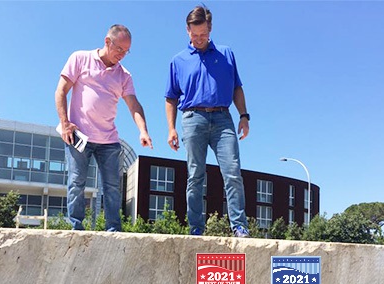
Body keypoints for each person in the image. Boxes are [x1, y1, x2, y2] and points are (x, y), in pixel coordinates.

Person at [55, 24, 153, 232]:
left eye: (126, 52)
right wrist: (64, 123)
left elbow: (134, 105)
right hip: (79, 136)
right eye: (119, 49)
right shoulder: (80, 59)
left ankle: (113, 229)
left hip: (108, 141)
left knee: (112, 187)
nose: (122, 55)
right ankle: (76, 227)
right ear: (107, 41)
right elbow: (61, 91)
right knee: (76, 182)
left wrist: (143, 130)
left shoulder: (124, 75)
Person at [165, 6, 251, 238]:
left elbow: (236, 87)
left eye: (203, 34)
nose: (199, 39)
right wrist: (171, 128)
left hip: (224, 119)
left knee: (232, 172)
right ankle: (195, 228)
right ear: (187, 31)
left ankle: (239, 226)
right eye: (194, 35)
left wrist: (244, 115)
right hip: (193, 119)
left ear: (210, 29)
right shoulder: (178, 61)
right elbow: (171, 97)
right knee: (195, 175)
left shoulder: (226, 54)